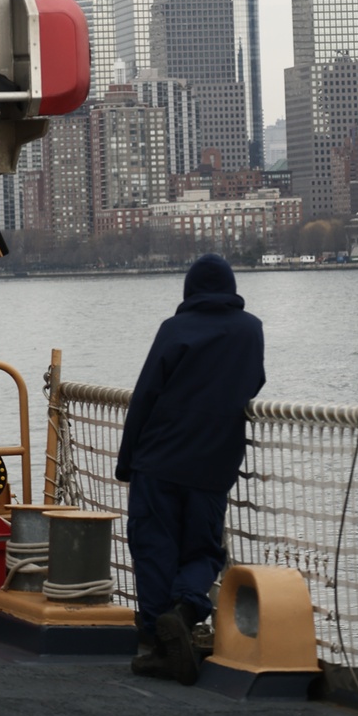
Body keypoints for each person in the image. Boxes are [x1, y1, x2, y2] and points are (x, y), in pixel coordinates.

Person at [115, 252, 265, 684]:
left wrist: (127, 464)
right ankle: (184, 610)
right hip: (214, 462)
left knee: (153, 546)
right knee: (203, 550)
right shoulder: (251, 330)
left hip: (159, 460)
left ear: (190, 290)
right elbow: (253, 381)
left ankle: (160, 642)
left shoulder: (174, 329)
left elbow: (146, 396)